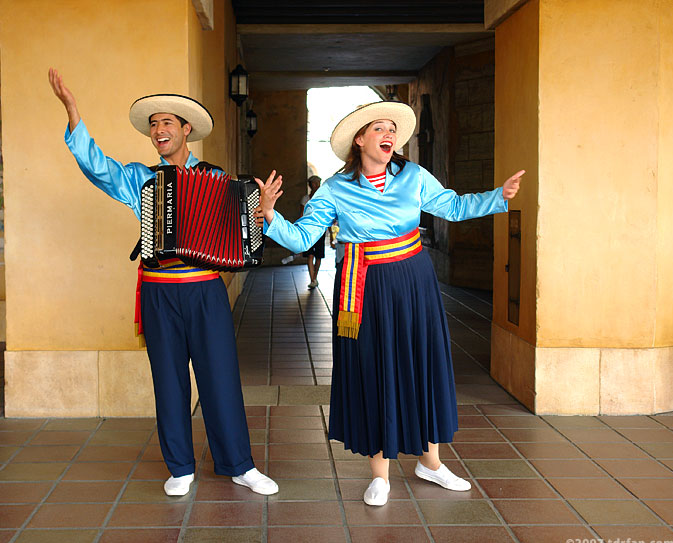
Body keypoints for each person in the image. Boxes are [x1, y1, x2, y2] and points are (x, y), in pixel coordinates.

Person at [256, 101, 522, 506]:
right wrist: (271, 215)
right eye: (379, 128)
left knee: (423, 363)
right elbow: (302, 238)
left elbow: (451, 206)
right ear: (360, 139)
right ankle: (379, 474)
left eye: (392, 130)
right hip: (366, 287)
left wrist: (496, 197)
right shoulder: (334, 189)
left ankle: (430, 463)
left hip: (415, 281)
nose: (389, 135)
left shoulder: (413, 176)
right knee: (375, 369)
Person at [48, 68, 278, 497]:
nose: (158, 130)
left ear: (186, 130)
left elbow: (244, 239)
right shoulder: (140, 178)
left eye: (166, 122)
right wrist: (73, 112)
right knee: (167, 380)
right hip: (158, 291)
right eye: (153, 124)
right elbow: (98, 168)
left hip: (206, 290)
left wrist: (258, 209)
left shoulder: (217, 178)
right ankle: (180, 467)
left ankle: (240, 465)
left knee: (220, 378)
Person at [300, 175, 326, 289]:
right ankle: (312, 279)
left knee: (318, 256)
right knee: (310, 255)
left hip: (320, 229)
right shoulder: (305, 199)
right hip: (308, 230)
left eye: (318, 183)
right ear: (310, 185)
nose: (316, 186)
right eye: (314, 183)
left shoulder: (323, 198)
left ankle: (315, 277)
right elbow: (301, 215)